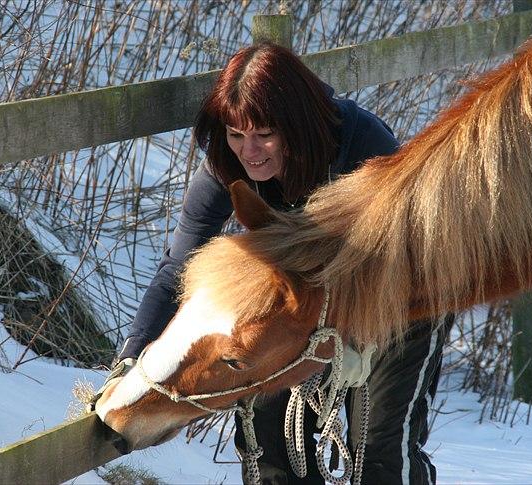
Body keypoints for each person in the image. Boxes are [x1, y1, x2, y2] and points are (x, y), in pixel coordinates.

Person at [109, 42, 453, 484]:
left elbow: (398, 260)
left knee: (380, 448)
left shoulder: (365, 147)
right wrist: (134, 357)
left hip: (402, 296)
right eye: (236, 135)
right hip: (299, 307)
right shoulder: (224, 165)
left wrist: (348, 341)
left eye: (264, 134)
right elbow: (178, 267)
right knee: (268, 434)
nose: (249, 151)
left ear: (296, 125)